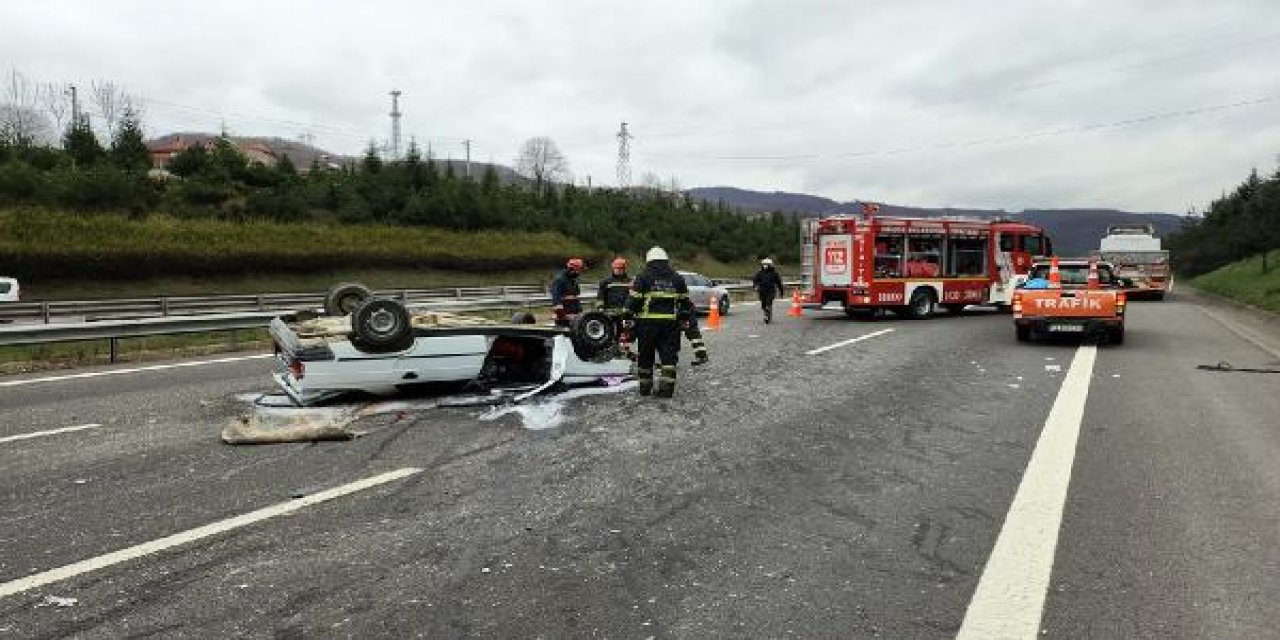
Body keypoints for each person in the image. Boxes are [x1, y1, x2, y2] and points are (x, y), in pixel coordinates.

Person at [625, 246, 694, 397]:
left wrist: (627, 315)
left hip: (647, 325)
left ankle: (645, 388)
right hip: (670, 325)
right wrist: (684, 319)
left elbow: (634, 301)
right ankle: (666, 389)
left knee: (646, 356)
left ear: (649, 260)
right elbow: (685, 303)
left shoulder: (642, 277)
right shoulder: (677, 278)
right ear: (666, 260)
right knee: (669, 357)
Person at [549, 257, 584, 327]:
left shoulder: (573, 280)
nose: (579, 272)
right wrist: (562, 316)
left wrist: (579, 311)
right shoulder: (559, 280)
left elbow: (576, 295)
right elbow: (556, 299)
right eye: (578, 270)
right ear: (572, 269)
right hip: (564, 316)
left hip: (575, 313)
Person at [752, 258, 786, 323]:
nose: (765, 266)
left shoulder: (774, 273)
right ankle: (766, 313)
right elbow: (755, 280)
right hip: (762, 291)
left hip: (771, 291)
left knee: (768, 303)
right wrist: (755, 286)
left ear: (770, 265)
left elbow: (779, 283)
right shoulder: (760, 273)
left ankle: (768, 315)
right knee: (763, 305)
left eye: (766, 264)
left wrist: (781, 292)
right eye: (764, 264)